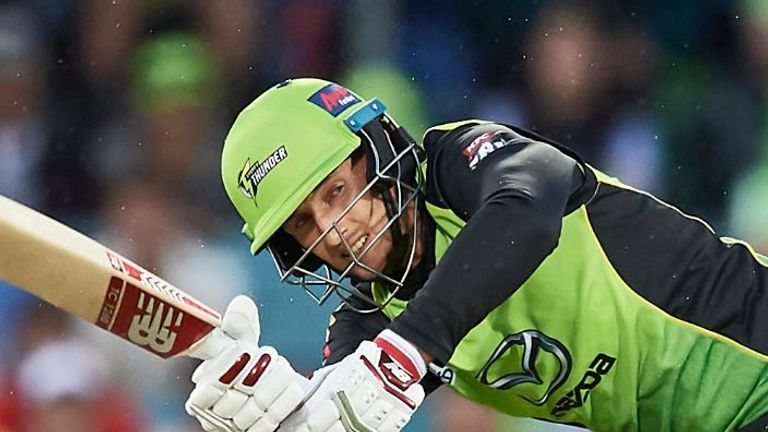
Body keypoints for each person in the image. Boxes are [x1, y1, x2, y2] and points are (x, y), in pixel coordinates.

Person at [183, 78, 768, 432]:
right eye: (303, 224)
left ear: (379, 148)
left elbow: (529, 210)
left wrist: (408, 350)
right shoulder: (372, 321)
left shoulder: (462, 163)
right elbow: (334, 408)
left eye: (336, 191)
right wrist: (280, 416)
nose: (333, 231)